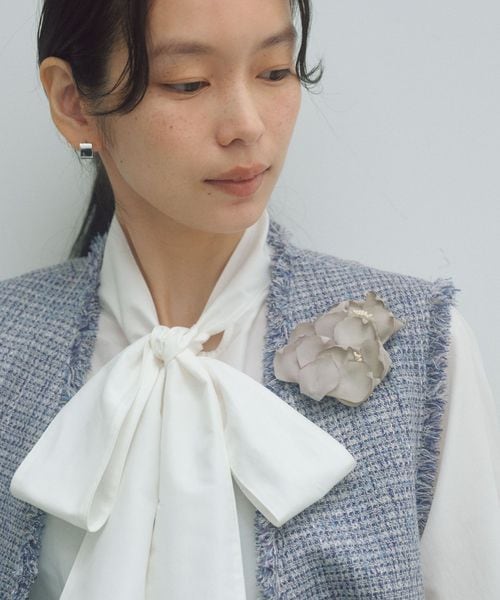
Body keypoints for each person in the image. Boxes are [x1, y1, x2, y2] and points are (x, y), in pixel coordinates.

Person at [0, 0, 499, 598]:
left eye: (274, 71)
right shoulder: (10, 344)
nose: (247, 125)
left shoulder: (424, 349)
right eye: (188, 82)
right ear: (74, 104)